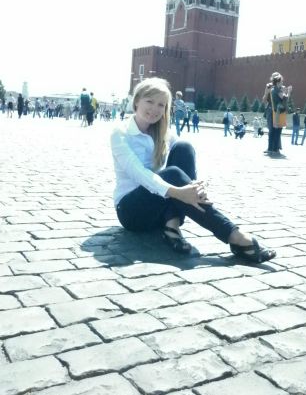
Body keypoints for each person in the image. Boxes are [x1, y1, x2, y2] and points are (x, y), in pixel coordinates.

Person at [110, 77, 276, 263]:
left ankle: (171, 225)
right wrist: (178, 192)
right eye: (150, 101)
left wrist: (194, 185)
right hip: (131, 212)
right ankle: (233, 235)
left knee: (184, 147)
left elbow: (184, 163)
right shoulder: (120, 133)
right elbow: (139, 173)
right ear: (136, 101)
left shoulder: (162, 132)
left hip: (159, 207)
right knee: (171, 174)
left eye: (161, 105)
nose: (155, 109)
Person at [263, 72, 292, 156]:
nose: (282, 82)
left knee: (274, 130)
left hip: (275, 111)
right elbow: (285, 99)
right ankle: (274, 149)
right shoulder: (273, 89)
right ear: (278, 81)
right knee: (276, 130)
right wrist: (289, 92)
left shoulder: (276, 89)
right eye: (281, 81)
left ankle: (272, 148)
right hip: (276, 111)